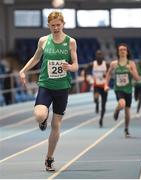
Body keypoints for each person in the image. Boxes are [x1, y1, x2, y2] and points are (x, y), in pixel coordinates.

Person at [19, 11, 78, 171]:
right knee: (39, 115)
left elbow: (75, 65)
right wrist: (23, 70)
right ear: (49, 26)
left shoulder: (70, 42)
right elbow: (36, 58)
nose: (56, 28)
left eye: (58, 25)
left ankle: (49, 158)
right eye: (53, 25)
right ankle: (43, 120)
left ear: (63, 24)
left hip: (62, 88)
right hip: (45, 85)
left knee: (56, 125)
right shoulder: (44, 41)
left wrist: (70, 67)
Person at [105, 43, 140, 137]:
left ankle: (126, 129)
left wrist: (131, 71)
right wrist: (106, 85)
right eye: (120, 49)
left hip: (128, 90)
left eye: (124, 49)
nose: (123, 51)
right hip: (119, 89)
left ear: (127, 52)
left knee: (127, 112)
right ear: (118, 52)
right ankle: (117, 110)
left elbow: (137, 78)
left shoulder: (131, 64)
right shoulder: (114, 64)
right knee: (122, 104)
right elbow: (108, 74)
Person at [85, 50, 108, 127]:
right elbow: (86, 68)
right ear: (96, 56)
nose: (99, 56)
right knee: (96, 98)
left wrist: (107, 75)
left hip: (104, 86)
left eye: (100, 55)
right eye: (98, 55)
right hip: (96, 85)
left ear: (103, 56)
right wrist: (86, 78)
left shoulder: (106, 64)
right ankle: (97, 103)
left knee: (104, 105)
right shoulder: (93, 64)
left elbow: (111, 71)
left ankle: (101, 119)